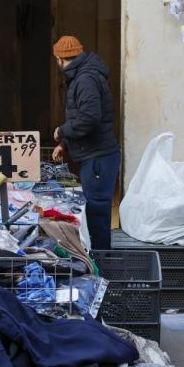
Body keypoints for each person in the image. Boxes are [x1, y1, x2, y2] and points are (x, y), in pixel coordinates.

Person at [51, 36, 120, 251]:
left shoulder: (85, 80)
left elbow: (90, 118)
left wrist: (62, 131)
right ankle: (99, 260)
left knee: (97, 212)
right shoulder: (82, 77)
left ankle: (101, 263)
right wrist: (65, 143)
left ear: (59, 59)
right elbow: (81, 117)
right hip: (94, 155)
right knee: (94, 210)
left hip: (98, 157)